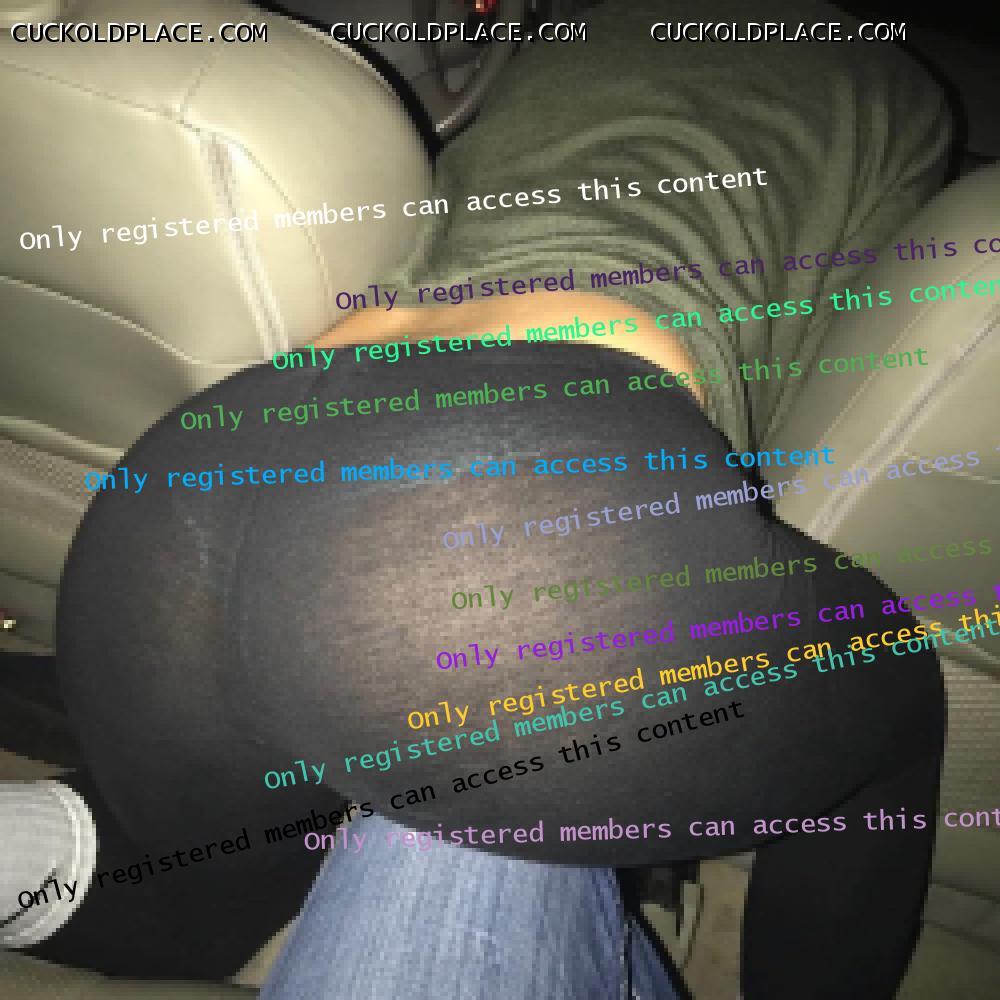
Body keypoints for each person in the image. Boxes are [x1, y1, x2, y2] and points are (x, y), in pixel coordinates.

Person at [5, 1, 952, 997]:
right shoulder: (892, 83)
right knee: (884, 690)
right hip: (487, 513)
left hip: (182, 497)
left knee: (219, 880)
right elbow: (838, 380)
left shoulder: (573, 34)